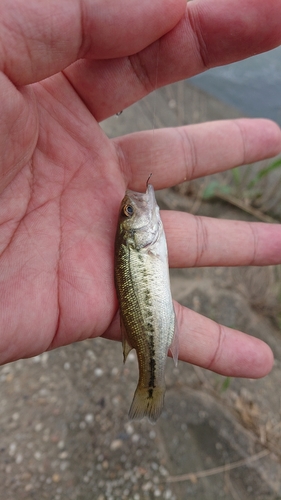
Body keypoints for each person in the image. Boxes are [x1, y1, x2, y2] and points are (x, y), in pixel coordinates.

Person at [0, 0, 281, 377]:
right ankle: (151, 379)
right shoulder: (142, 242)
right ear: (132, 232)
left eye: (127, 211)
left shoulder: (140, 241)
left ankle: (150, 378)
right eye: (129, 212)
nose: (132, 204)